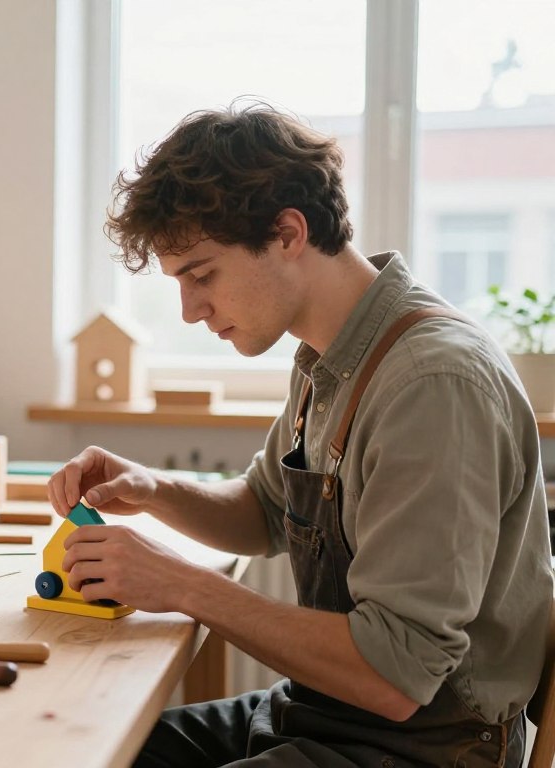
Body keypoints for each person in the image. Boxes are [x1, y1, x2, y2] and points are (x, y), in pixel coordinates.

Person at [47, 103, 554, 768]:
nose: (190, 310)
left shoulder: (433, 383)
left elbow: (397, 676)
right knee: (81, 747)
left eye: (202, 275)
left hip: (421, 747)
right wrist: (150, 489)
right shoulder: (328, 355)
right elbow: (267, 514)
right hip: (322, 715)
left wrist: (183, 585)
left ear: (288, 233)